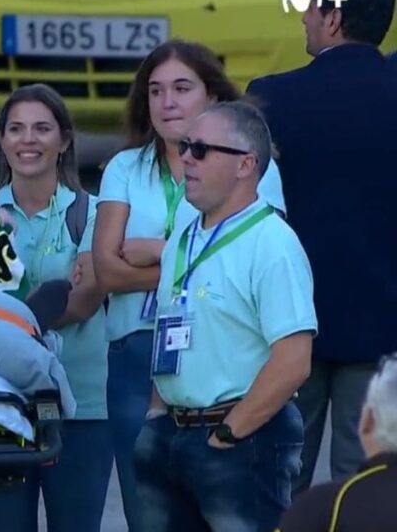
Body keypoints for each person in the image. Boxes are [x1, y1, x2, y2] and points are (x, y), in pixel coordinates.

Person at [91, 40, 286, 530]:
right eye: (155, 91)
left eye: (181, 88)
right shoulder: (124, 168)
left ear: (213, 99)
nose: (167, 102)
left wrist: (160, 250)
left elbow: (250, 264)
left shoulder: (253, 164)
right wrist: (200, 263)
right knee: (149, 513)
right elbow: (107, 271)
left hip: (226, 354)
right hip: (136, 353)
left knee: (230, 510)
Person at [245, 0, 397, 494]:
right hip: (382, 327)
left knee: (281, 481)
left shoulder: (272, 97)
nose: (304, 21)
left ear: (332, 18)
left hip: (288, 326)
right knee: (364, 486)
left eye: (310, 9)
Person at [133, 101, 316, 532]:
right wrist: (157, 417)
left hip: (239, 438)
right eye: (184, 147)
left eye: (201, 149)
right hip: (172, 431)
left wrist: (229, 434)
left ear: (245, 165)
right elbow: (169, 327)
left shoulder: (273, 243)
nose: (186, 158)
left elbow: (293, 360)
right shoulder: (184, 235)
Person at [0, 84, 111, 532]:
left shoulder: (94, 214)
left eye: (41, 128)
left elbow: (86, 300)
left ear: (65, 140)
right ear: (0, 140)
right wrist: (54, 294)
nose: (27, 140)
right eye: (15, 129)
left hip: (82, 406)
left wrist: (6, 306)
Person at [277, 353, 397, 532]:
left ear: (367, 421)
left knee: (289, 475)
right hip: (370, 345)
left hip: (304, 345)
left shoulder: (315, 508)